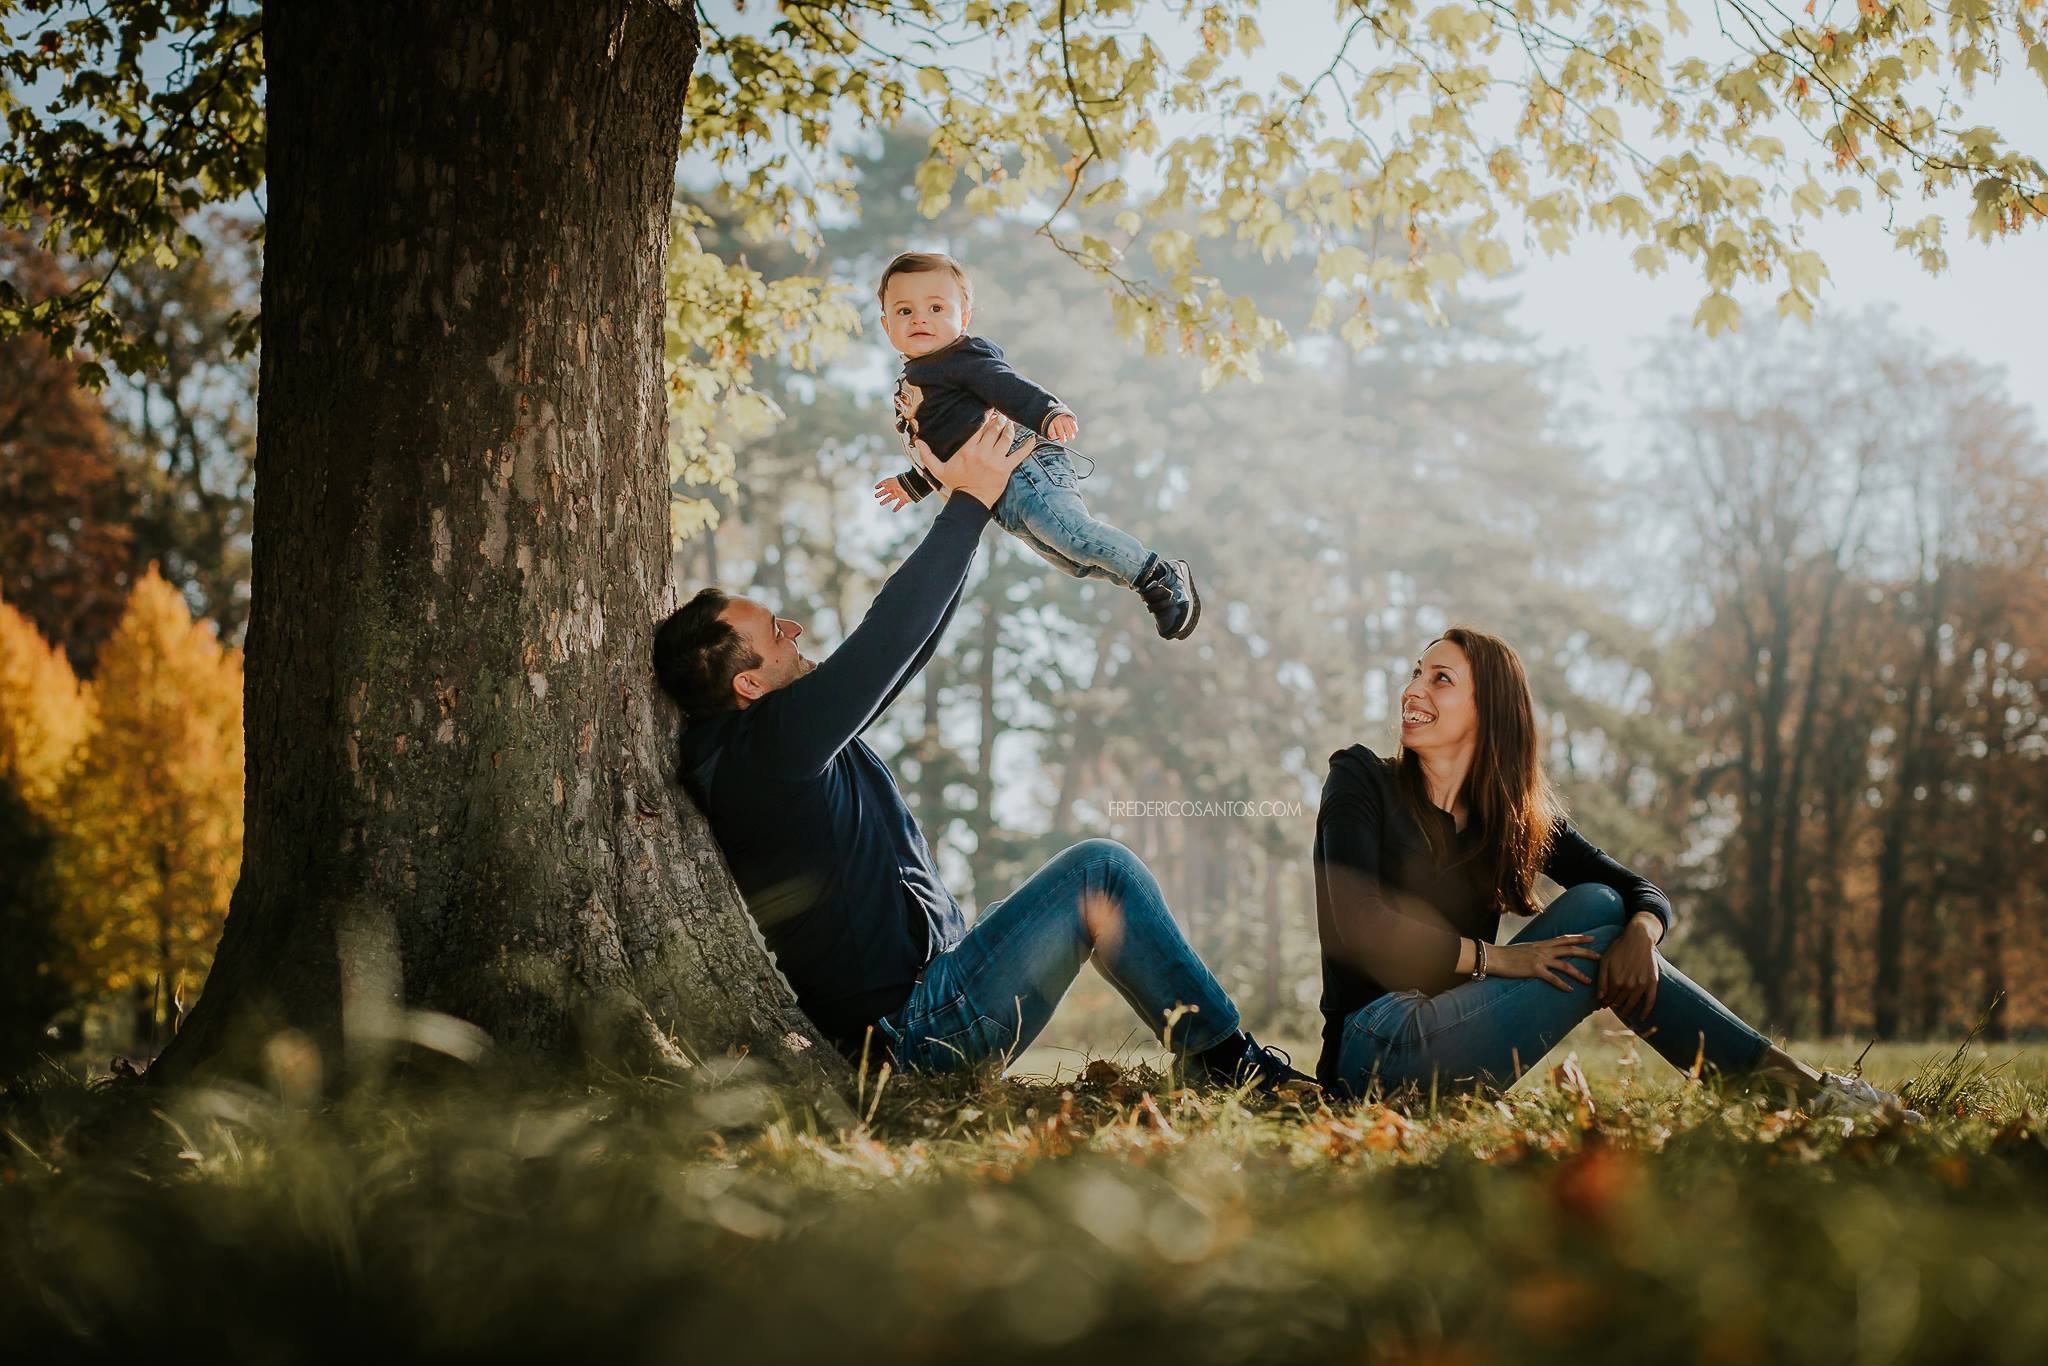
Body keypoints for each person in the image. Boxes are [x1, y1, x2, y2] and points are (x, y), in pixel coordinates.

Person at [654, 413, 1306, 1091]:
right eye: (774, 631)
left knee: (1060, 890)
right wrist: (968, 502)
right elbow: (887, 640)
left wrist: (978, 504)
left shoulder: (773, 736)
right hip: (914, 1035)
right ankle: (1230, 1066)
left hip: (934, 1002)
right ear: (748, 683)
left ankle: (1221, 1061)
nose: (793, 627)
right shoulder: (762, 755)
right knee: (1100, 872)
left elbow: (903, 653)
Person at [1314, 624, 1915, 1118]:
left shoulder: (1509, 820)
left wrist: (1640, 936)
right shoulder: (1362, 778)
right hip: (1373, 1048)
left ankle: (1805, 1096)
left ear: (1488, 711)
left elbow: (1638, 891)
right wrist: (1502, 960)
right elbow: (1361, 923)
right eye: (1416, 674)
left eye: (1439, 679)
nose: (1413, 690)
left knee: (1604, 905)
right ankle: (1806, 1094)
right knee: (1601, 931)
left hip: (1456, 1037)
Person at [869, 250, 1201, 640]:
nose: (920, 317)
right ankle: (1141, 577)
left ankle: (1159, 577)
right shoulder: (915, 380)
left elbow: (1005, 385)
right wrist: (912, 484)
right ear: (886, 325)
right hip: (999, 492)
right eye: (905, 311)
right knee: (1069, 559)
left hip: (1024, 465)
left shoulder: (962, 358)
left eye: (936, 307)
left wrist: (1047, 412)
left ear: (964, 318)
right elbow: (947, 444)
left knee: (1072, 535)